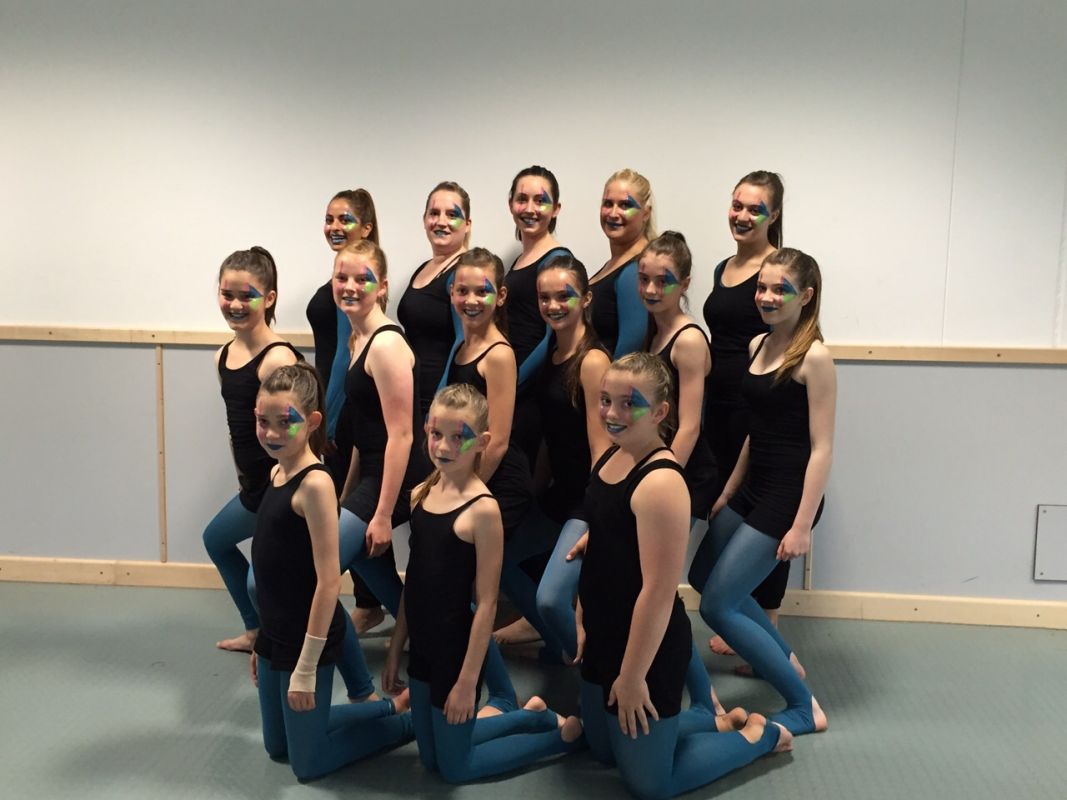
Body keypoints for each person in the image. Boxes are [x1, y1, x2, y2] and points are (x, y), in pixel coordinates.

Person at [578, 353, 791, 800]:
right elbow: (612, 521)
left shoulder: (661, 482)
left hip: (646, 648)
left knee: (650, 785)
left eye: (629, 403)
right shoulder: (612, 457)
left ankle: (758, 736)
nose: (612, 413)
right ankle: (712, 721)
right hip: (605, 634)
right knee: (602, 752)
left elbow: (658, 592)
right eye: (605, 400)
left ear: (660, 412)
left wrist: (632, 676)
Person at [381, 384, 583, 783]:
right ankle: (529, 716)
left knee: (456, 769)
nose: (444, 446)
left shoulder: (483, 509)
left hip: (455, 656)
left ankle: (558, 737)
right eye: (436, 434)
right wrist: (395, 649)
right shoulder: (422, 494)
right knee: (431, 760)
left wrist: (467, 681)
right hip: (422, 651)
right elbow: (414, 584)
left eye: (460, 437)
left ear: (483, 442)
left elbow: (487, 603)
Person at [689, 248, 834, 736]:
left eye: (780, 290)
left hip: (787, 497)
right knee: (702, 574)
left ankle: (804, 707)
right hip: (753, 487)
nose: (768, 297)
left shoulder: (814, 358)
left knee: (717, 605)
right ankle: (784, 657)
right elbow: (757, 431)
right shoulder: (757, 345)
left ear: (805, 296)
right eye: (762, 288)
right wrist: (729, 491)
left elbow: (822, 448)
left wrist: (802, 526)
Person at [250, 363, 413, 781]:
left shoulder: (315, 485)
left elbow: (327, 582)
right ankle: (384, 708)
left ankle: (405, 723)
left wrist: (306, 667)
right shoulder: (276, 470)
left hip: (307, 638)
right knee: (276, 747)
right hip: (275, 634)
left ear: (312, 422)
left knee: (308, 764)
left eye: (285, 422)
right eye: (263, 421)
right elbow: (272, 575)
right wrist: (260, 642)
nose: (271, 433)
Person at [702, 171, 789, 657]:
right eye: (737, 205)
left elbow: (792, 338)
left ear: (773, 216)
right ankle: (741, 615)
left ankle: (768, 627)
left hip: (755, 408)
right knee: (728, 512)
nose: (742, 215)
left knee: (763, 515)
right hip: (718, 408)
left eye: (755, 209)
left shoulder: (777, 271)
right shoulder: (723, 268)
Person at [204, 246, 300, 652]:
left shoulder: (277, 359)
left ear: (270, 298)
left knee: (258, 582)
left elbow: (299, 435)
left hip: (283, 489)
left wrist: (290, 492)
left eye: (248, 296)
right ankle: (256, 631)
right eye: (227, 294)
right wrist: (244, 480)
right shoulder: (223, 356)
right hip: (254, 488)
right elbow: (237, 432)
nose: (236, 304)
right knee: (216, 540)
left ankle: (289, 642)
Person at [304, 188, 385, 634]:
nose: (335, 226)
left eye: (346, 219)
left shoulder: (355, 287)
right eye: (330, 218)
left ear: (366, 228)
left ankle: (371, 607)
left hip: (343, 420)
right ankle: (378, 604)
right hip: (328, 413)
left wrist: (328, 424)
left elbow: (342, 359)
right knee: (351, 520)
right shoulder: (338, 278)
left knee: (345, 521)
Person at [334, 240, 424, 621]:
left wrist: (383, 515)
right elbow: (364, 430)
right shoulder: (358, 338)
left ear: (382, 286)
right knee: (363, 558)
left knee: (321, 568)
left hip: (401, 477)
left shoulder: (386, 344)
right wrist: (346, 493)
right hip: (373, 472)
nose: (350, 287)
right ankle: (417, 627)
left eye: (363, 279)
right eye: (342, 277)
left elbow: (402, 435)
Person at [529, 255, 611, 661]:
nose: (553, 305)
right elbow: (552, 434)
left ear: (586, 299)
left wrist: (596, 518)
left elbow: (604, 448)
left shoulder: (592, 361)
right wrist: (533, 492)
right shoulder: (552, 352)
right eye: (545, 297)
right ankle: (562, 645)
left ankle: (588, 664)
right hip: (557, 493)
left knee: (549, 599)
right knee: (497, 562)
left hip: (585, 500)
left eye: (564, 296)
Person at [638, 231, 717, 521]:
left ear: (684, 284)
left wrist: (662, 482)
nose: (650, 289)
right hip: (659, 464)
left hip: (686, 473)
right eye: (644, 279)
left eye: (663, 281)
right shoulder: (654, 333)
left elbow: (689, 427)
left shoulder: (688, 340)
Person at [396, 181, 471, 418]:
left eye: (452, 215)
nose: (441, 221)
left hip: (439, 399)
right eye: (434, 213)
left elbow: (463, 342)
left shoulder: (463, 272)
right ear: (425, 220)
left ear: (467, 224)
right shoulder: (423, 268)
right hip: (410, 393)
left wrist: (439, 404)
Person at [589, 168, 653, 358]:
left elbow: (628, 355)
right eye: (608, 204)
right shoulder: (614, 265)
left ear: (646, 213)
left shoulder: (637, 269)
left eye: (625, 205)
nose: (613, 213)